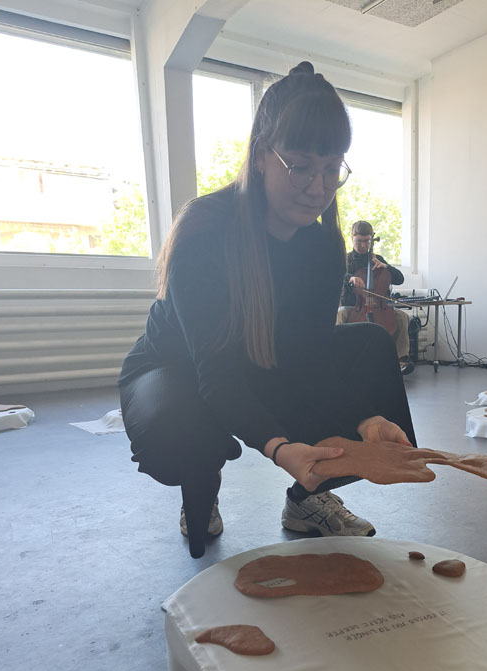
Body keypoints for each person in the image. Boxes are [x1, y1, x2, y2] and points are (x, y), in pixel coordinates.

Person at [118, 61, 416, 550]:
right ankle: (200, 478)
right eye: (300, 166)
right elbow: (215, 369)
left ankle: (307, 499)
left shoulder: (324, 246)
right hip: (177, 368)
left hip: (262, 362)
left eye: (331, 169)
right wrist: (279, 447)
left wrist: (365, 419)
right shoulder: (205, 230)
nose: (318, 187)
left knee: (371, 348)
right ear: (261, 156)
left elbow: (310, 359)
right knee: (181, 434)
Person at [340, 220, 414, 375]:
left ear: (371, 240)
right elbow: (336, 276)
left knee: (402, 317)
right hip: (353, 306)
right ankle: (338, 358)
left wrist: (385, 266)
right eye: (359, 241)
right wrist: (350, 278)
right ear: (352, 238)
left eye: (367, 241)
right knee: (339, 315)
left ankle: (400, 359)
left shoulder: (377, 259)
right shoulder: (346, 260)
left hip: (378, 307)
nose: (363, 245)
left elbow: (399, 279)